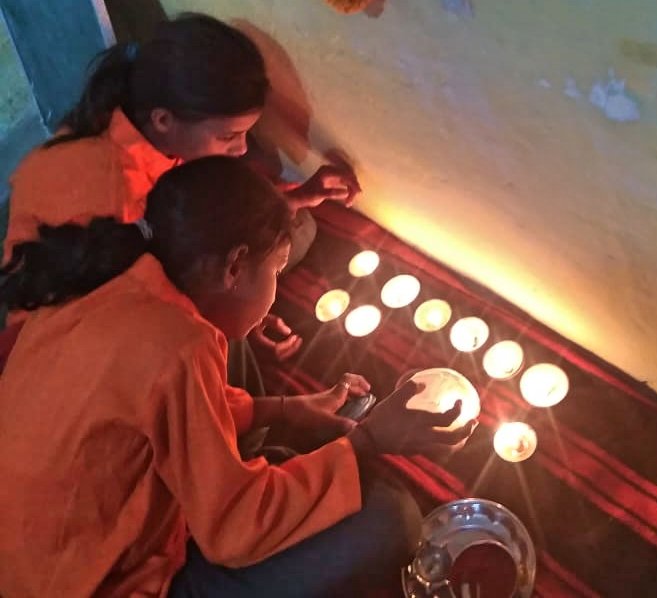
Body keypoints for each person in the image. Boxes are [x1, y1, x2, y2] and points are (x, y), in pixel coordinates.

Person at [0, 156, 475, 597]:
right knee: (392, 521)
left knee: (231, 344)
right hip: (92, 581)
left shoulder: (111, 275)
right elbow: (234, 529)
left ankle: (270, 466)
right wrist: (369, 440)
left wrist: (285, 410)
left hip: (26, 541)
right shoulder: (180, 346)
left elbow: (152, 406)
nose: (278, 288)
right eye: (277, 271)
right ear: (234, 266)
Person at [1, 12, 360, 370]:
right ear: (163, 120)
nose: (241, 150)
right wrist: (241, 318)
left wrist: (298, 198)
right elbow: (149, 318)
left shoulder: (136, 119)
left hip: (124, 291)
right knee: (226, 347)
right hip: (62, 348)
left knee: (298, 228)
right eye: (228, 136)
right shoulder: (117, 199)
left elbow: (208, 224)